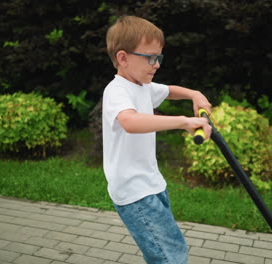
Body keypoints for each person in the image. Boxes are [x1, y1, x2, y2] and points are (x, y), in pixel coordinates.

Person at [102, 15, 212, 264]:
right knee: (170, 256)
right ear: (123, 57)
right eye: (150, 58)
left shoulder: (142, 85)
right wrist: (184, 122)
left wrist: (195, 94)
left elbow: (169, 91)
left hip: (152, 185)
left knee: (162, 253)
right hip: (134, 192)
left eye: (159, 57)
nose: (157, 65)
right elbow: (130, 122)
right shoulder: (117, 90)